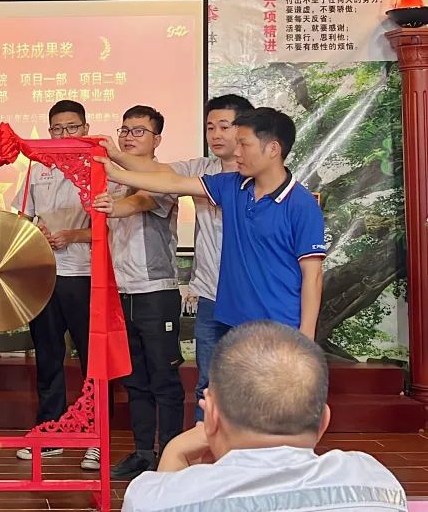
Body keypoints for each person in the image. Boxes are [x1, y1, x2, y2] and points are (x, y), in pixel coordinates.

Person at [122, 321, 407, 512]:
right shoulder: (375, 484)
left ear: (212, 417)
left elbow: (161, 497)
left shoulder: (153, 498)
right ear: (323, 421)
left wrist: (174, 452)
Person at [96, 107, 325, 340]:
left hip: (280, 326)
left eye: (244, 145)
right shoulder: (231, 185)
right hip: (230, 321)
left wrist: (306, 337)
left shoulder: (301, 204)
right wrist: (115, 171)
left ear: (273, 149)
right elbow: (172, 183)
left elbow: (313, 275)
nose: (237, 152)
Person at [101, 95, 254, 421]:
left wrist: (116, 172)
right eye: (210, 127)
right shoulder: (200, 169)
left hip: (250, 297)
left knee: (251, 382)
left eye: (224, 127)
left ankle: (247, 449)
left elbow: (146, 197)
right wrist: (115, 158)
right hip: (210, 294)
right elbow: (160, 173)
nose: (215, 134)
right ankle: (204, 449)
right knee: (206, 385)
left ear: (245, 130)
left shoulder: (258, 178)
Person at [101, 105, 185, 481]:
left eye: (138, 131)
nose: (129, 137)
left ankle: (169, 454)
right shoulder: (113, 181)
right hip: (121, 291)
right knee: (134, 380)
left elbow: (140, 202)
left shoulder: (165, 177)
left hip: (156, 293)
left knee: (163, 379)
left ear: (157, 140)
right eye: (124, 130)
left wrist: (113, 206)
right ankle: (141, 453)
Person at [12, 100, 97, 470]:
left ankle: (95, 437)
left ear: (85, 128)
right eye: (57, 129)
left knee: (92, 360)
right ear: (48, 132)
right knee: (48, 357)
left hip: (84, 275)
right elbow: (23, 214)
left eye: (72, 127)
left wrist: (73, 235)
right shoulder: (37, 168)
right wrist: (36, 229)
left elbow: (110, 225)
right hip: (44, 275)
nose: (64, 135)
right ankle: (50, 433)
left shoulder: (98, 168)